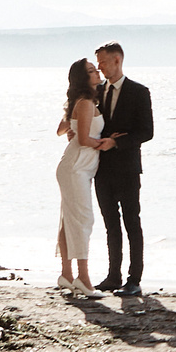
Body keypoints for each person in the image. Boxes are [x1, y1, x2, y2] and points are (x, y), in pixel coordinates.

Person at [92, 41, 155, 294]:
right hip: (101, 169)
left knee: (132, 223)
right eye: (98, 63)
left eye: (103, 62)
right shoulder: (96, 91)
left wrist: (116, 142)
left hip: (128, 168)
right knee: (110, 225)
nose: (100, 67)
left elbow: (147, 132)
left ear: (117, 60)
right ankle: (112, 276)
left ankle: (134, 280)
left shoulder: (139, 92)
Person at [52, 56, 114, 292]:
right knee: (83, 220)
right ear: (83, 79)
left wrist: (73, 126)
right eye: (91, 71)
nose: (97, 72)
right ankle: (83, 278)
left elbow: (61, 130)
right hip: (76, 167)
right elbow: (84, 139)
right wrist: (108, 142)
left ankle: (67, 275)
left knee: (70, 219)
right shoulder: (86, 103)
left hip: (76, 165)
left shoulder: (81, 102)